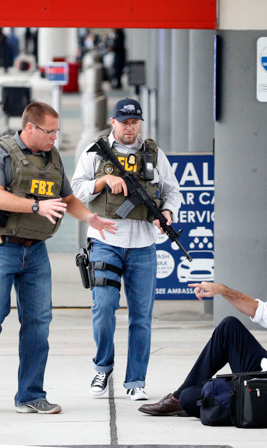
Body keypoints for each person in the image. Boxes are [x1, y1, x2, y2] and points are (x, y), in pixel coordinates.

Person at [0, 101, 118, 414]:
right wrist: (36, 206)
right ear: (30, 128)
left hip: (35, 251)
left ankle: (30, 395)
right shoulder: (0, 154)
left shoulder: (53, 157)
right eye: (50, 132)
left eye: (57, 132)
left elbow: (67, 198)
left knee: (38, 323)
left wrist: (90, 218)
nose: (54, 138)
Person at [71, 98, 182, 401]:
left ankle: (135, 381)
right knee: (104, 308)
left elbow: (173, 192)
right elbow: (76, 188)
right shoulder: (96, 152)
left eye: (134, 122)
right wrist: (104, 180)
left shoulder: (154, 155)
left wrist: (168, 213)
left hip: (143, 245)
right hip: (106, 242)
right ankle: (102, 367)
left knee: (141, 317)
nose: (129, 128)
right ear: (113, 122)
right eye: (124, 122)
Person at [138, 261, 267, 418]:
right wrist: (221, 290)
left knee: (191, 398)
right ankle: (178, 398)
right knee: (229, 327)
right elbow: (256, 309)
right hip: (265, 370)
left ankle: (181, 398)